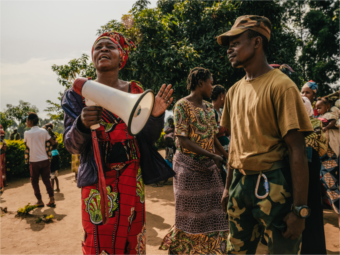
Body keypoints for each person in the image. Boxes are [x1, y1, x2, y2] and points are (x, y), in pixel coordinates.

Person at [61, 31, 173, 255]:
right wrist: (81, 125)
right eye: (98, 47)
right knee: (98, 241)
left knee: (132, 237)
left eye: (109, 47)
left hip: (132, 176)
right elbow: (71, 146)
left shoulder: (136, 91)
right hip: (97, 180)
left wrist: (156, 116)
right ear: (93, 57)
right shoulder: (76, 95)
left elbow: (148, 138)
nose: (102, 50)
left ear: (121, 56)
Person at [217, 15, 314, 254]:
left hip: (273, 184)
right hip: (240, 183)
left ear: (257, 42)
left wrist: (300, 210)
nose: (230, 49)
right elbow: (235, 145)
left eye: (236, 42)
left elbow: (297, 149)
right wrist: (228, 187)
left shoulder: (281, 86)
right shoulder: (233, 92)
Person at [160, 67, 229, 254]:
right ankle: (181, 250)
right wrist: (212, 156)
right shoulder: (182, 105)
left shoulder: (208, 109)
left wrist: (224, 155)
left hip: (209, 168)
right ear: (200, 84)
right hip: (187, 168)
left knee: (216, 211)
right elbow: (182, 140)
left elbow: (212, 137)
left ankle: (210, 250)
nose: (212, 86)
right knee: (189, 216)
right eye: (210, 82)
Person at [300, 96, 327, 255]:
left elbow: (320, 147)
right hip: (297, 168)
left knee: (310, 207)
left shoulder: (315, 123)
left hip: (310, 168)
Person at [315, 97, 340, 228]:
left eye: (320, 107)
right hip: (323, 155)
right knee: (328, 183)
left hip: (330, 155)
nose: (317, 109)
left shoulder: (332, 115)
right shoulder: (319, 117)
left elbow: (332, 122)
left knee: (330, 183)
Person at [24, 112, 56, 207]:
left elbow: (26, 146)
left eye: (27, 120)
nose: (26, 122)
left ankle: (39, 200)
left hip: (34, 161)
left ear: (30, 121)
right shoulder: (44, 132)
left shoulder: (26, 133)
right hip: (45, 159)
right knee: (46, 179)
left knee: (34, 181)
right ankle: (52, 199)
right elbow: (52, 142)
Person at [211, 85, 230, 186]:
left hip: (225, 153)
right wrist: (227, 156)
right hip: (220, 155)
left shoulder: (221, 112)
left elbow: (228, 133)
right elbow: (213, 138)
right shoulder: (212, 112)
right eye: (226, 95)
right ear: (222, 95)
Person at [43, 123, 60, 192]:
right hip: (56, 154)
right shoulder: (54, 136)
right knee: (55, 175)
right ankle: (57, 188)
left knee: (51, 175)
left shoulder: (47, 138)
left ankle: (52, 189)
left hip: (51, 156)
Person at [0, 125, 7, 193]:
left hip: (1, 153)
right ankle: (3, 183)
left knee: (1, 169)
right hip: (2, 153)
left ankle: (2, 185)